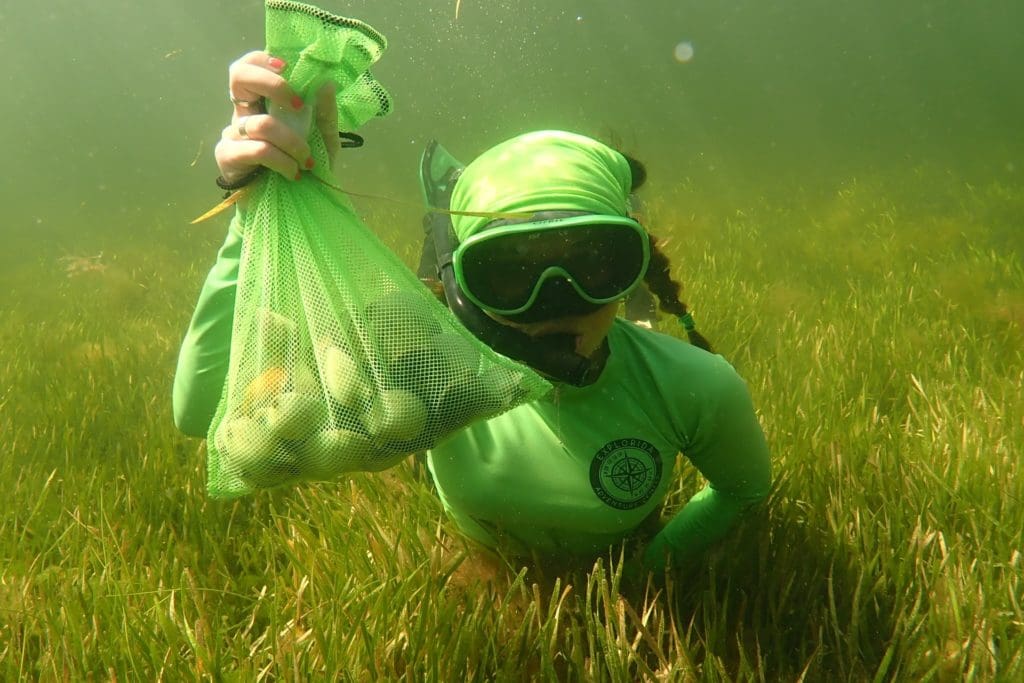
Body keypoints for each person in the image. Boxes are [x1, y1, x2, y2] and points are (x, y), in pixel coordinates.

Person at [173, 51, 771, 576]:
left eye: (593, 263)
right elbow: (203, 412)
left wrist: (642, 577)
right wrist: (257, 198)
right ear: (464, 282)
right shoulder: (429, 366)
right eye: (510, 271)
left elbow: (742, 491)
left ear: (630, 267)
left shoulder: (691, 385)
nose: (555, 302)